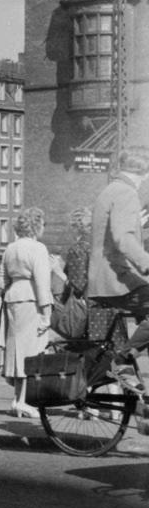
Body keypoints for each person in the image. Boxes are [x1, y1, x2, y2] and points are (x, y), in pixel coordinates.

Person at [87, 149, 149, 354]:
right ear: (145, 173)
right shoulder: (126, 192)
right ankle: (122, 363)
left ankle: (125, 368)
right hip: (117, 281)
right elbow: (123, 238)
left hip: (105, 279)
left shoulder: (110, 189)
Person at [0, 209, 54, 418]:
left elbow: (1, 281)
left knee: (16, 349)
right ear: (37, 226)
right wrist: (47, 313)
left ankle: (16, 399)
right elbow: (42, 283)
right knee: (31, 352)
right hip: (31, 301)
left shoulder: (10, 248)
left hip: (12, 299)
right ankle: (23, 401)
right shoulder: (38, 248)